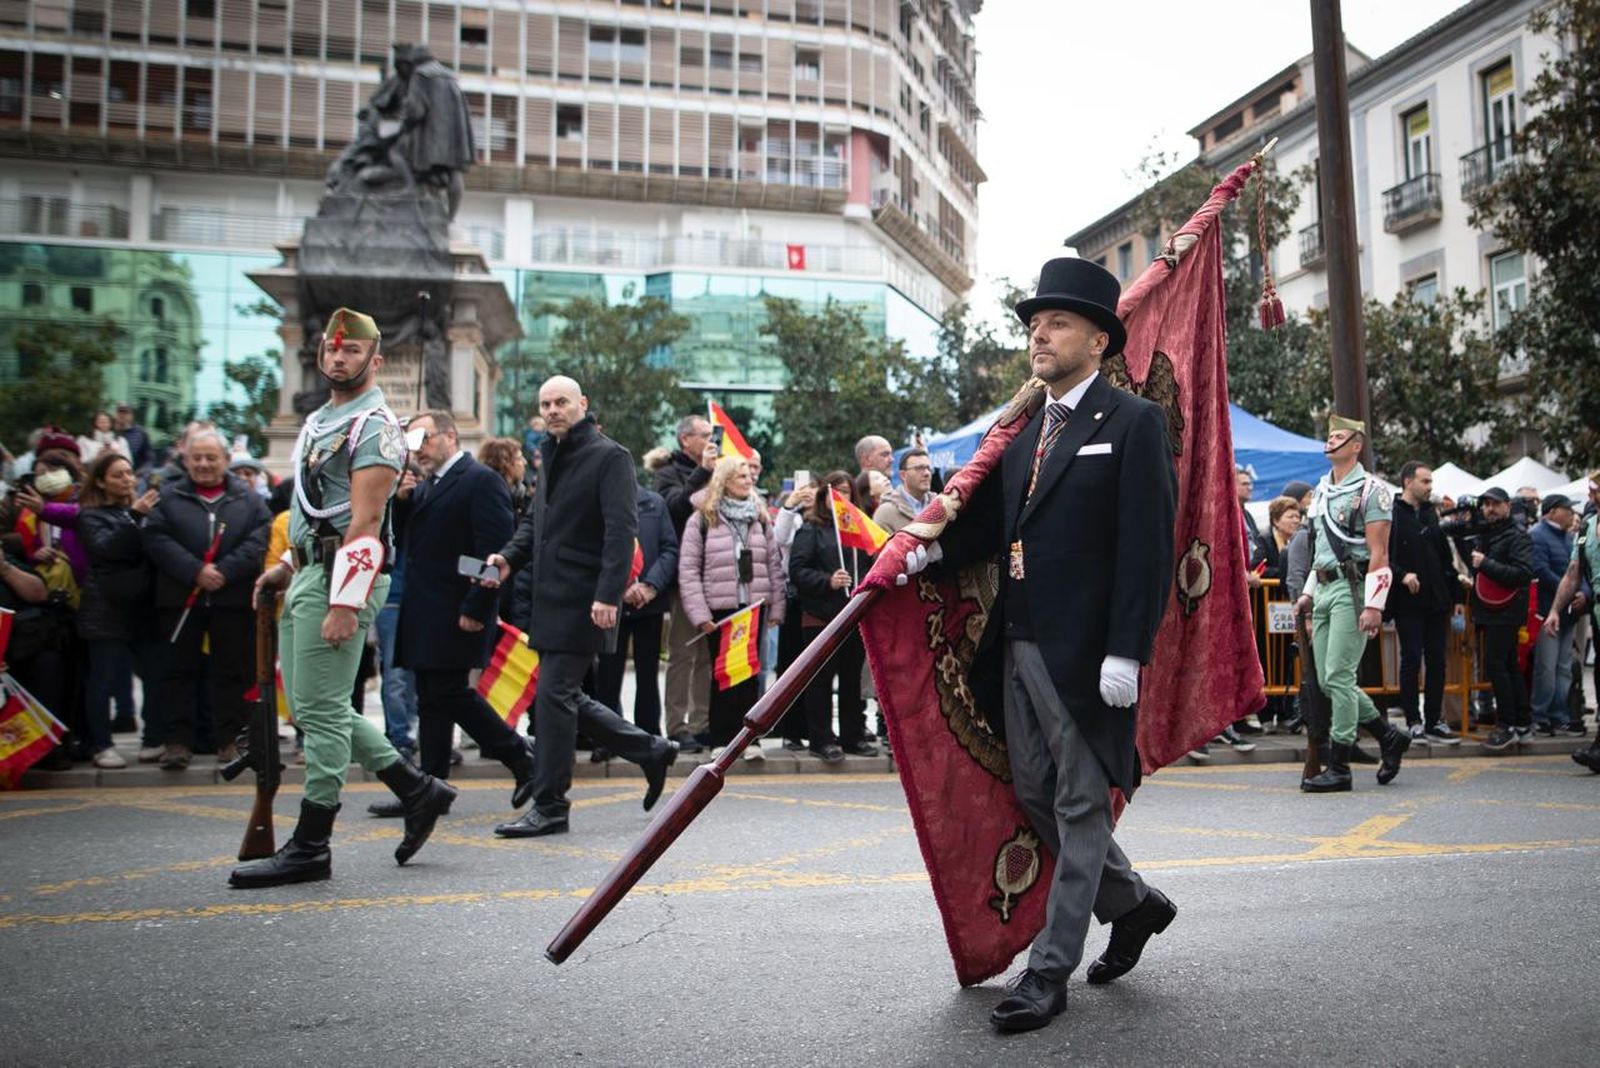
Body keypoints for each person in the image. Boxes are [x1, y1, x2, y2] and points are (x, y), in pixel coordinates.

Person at [901, 258, 1179, 1032]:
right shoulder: (1027, 432)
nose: (1039, 337)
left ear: (1098, 339)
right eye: (1032, 326)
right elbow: (991, 530)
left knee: (1081, 802)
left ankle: (1047, 970)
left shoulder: (1132, 423)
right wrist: (925, 553)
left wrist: (1128, 649)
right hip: (1019, 642)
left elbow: (1146, 548)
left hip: (1091, 653)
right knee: (1033, 792)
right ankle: (1133, 903)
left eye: (1055, 324)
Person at [234, 308, 457, 888]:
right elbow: (310, 510)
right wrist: (286, 564)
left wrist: (344, 602)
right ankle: (418, 789)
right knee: (317, 707)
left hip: (342, 577)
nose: (339, 358)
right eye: (332, 350)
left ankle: (312, 845)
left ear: (374, 359)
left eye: (352, 351)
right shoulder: (320, 420)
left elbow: (364, 523)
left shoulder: (375, 427)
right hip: (311, 571)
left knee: (324, 713)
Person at [485, 376, 678, 838]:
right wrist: (507, 559)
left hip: (586, 597)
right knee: (560, 694)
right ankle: (650, 749)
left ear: (582, 404)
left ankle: (551, 805)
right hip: (549, 596)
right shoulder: (551, 453)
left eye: (561, 402)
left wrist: (609, 595)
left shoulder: (610, 456)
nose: (552, 410)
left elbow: (620, 529)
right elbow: (537, 520)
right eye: (546, 404)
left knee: (554, 697)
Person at [377, 410, 534, 815]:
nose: (419, 450)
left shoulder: (480, 480)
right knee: (431, 699)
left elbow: (494, 549)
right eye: (413, 443)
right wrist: (402, 502)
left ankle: (520, 757)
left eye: (424, 439)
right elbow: (413, 540)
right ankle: (428, 788)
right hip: (425, 611)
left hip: (458, 609)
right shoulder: (427, 484)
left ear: (449, 436)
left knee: (451, 694)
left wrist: (478, 605)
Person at [141, 428, 272, 770]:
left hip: (232, 599)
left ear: (226, 461)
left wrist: (224, 571)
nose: (204, 464)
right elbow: (156, 538)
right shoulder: (168, 497)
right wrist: (195, 570)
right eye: (196, 457)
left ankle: (231, 742)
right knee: (177, 672)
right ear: (185, 459)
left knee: (234, 672)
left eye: (211, 457)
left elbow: (259, 539)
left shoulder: (248, 499)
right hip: (181, 599)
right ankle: (177, 743)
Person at [1297, 417, 1411, 792]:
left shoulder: (1373, 490)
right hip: (1326, 587)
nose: (1330, 441)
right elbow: (1320, 549)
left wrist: (1374, 605)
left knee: (1339, 677)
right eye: (1329, 436)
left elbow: (1379, 554)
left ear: (1356, 445)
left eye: (1339, 436)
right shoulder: (1323, 490)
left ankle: (1341, 764)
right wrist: (1309, 592)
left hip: (1353, 587)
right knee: (1330, 680)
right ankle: (1386, 735)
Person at [677, 455, 785, 760]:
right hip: (720, 609)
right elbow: (688, 570)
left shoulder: (760, 516)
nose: (749, 479)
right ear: (724, 481)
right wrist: (701, 615)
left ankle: (749, 740)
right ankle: (722, 739)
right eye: (741, 476)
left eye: (750, 475)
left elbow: (773, 565)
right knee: (724, 675)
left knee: (751, 673)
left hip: (753, 606)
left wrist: (776, 608)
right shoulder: (701, 518)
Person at [74, 452, 161, 769]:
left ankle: (153, 739)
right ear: (100, 481)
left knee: (154, 673)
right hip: (105, 609)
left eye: (129, 473)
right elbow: (106, 549)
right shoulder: (90, 515)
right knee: (103, 679)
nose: (127, 480)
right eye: (117, 475)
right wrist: (134, 517)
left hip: (143, 607)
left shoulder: (146, 510)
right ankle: (101, 745)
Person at [789, 471, 877, 763]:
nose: (841, 497)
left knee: (851, 680)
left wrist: (859, 582)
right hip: (820, 617)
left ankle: (852, 736)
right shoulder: (810, 530)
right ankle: (821, 738)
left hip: (852, 615)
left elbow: (870, 565)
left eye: (846, 492)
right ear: (824, 497)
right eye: (835, 492)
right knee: (820, 681)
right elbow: (798, 571)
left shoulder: (858, 530)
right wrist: (827, 581)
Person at [655, 413, 720, 753]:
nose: (711, 441)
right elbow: (675, 508)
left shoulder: (720, 470)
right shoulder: (668, 473)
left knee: (708, 654)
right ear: (685, 440)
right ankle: (677, 725)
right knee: (683, 652)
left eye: (713, 434)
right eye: (704, 434)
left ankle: (702, 722)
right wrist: (705, 472)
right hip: (685, 575)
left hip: (716, 573)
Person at [593, 479, 678, 736]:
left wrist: (650, 585)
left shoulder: (654, 503)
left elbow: (669, 549)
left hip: (648, 603)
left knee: (648, 673)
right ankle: (607, 736)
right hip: (611, 605)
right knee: (607, 674)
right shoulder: (598, 505)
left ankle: (649, 734)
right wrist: (618, 589)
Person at [1386, 463, 1460, 744]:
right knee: (1411, 660)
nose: (1430, 487)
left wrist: (1452, 586)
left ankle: (1433, 720)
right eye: (1425, 481)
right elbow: (1380, 556)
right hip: (1407, 602)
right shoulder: (1392, 514)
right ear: (1407, 482)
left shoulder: (1431, 514)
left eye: (1431, 482)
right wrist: (1402, 575)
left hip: (1435, 600)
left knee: (1438, 662)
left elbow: (1444, 557)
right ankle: (1413, 721)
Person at [1465, 487, 1537, 751]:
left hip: (1505, 611)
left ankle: (1507, 724)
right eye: (1486, 504)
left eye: (1495, 504)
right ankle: (1520, 724)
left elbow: (1522, 573)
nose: (1489, 509)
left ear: (1508, 505)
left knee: (1498, 665)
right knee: (1508, 666)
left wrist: (1485, 564)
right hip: (1493, 611)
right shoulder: (1490, 533)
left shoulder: (1516, 536)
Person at [1542, 472, 1600, 770]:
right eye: (1591, 491)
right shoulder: (1587, 527)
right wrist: (1554, 610)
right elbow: (1573, 571)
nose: (1591, 497)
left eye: (1595, 491)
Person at [1530, 494, 1581, 735]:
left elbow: (1581, 569)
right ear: (1551, 512)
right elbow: (1540, 570)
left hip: (1569, 613)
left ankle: (1559, 714)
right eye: (1566, 509)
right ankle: (1540, 714)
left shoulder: (1571, 538)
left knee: (1563, 668)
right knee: (1547, 668)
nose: (1571, 514)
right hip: (1546, 612)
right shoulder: (1537, 535)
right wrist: (1568, 592)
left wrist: (1583, 593)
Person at [874, 448, 934, 535]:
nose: (926, 473)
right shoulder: (885, 513)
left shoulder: (940, 506)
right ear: (903, 475)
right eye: (919, 468)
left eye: (928, 468)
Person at [113, 404, 153, 472]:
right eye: (120, 412)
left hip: (135, 474)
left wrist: (142, 472)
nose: (122, 415)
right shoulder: (109, 431)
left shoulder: (141, 433)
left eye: (126, 413)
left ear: (132, 416)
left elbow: (149, 458)